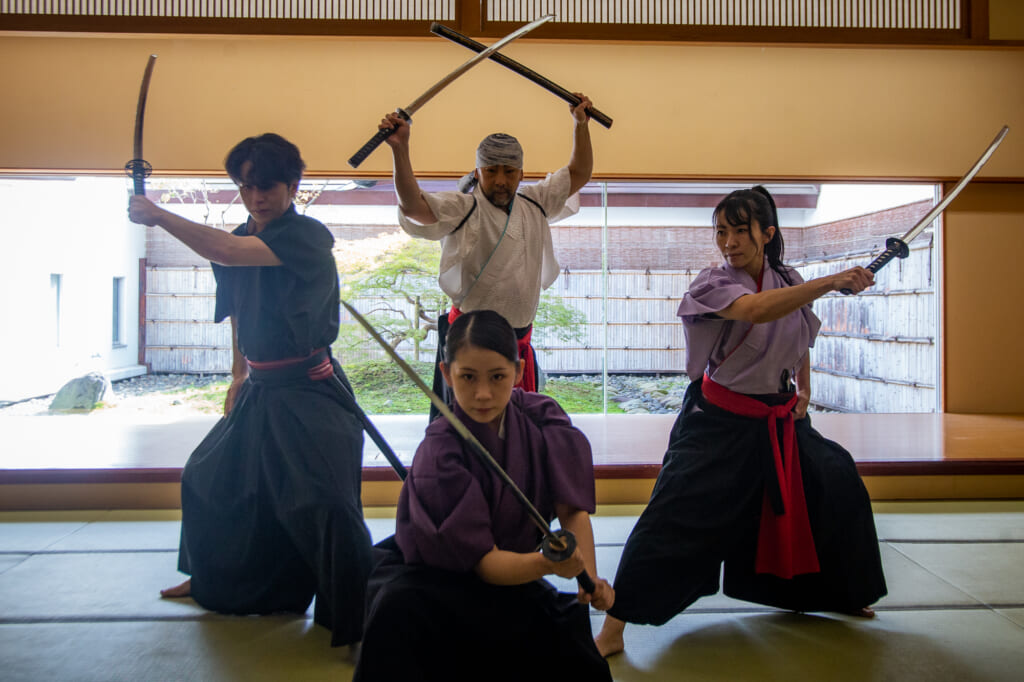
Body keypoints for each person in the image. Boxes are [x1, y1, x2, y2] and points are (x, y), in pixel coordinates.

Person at [594, 186, 888, 657]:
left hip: (778, 418)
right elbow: (756, 311)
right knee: (674, 515)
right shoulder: (712, 283)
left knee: (834, 481)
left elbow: (799, 330)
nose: (729, 242)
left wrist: (804, 389)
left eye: (740, 231)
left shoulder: (786, 277)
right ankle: (615, 625)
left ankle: (837, 593)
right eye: (721, 232)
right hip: (718, 423)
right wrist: (831, 281)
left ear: (767, 234)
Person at [128, 133, 373, 648]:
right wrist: (238, 373)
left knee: (326, 503)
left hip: (310, 388)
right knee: (206, 476)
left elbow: (229, 251)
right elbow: (239, 307)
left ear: (292, 185)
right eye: (246, 186)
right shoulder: (243, 233)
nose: (256, 197)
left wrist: (159, 215)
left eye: (266, 186)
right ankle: (211, 580)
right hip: (261, 385)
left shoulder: (306, 235)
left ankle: (355, 616)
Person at [353, 309, 614, 681]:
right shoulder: (439, 452)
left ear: (519, 371)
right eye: (467, 377)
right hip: (437, 583)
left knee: (573, 647)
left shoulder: (543, 419)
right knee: (398, 620)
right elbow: (484, 563)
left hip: (515, 576)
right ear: (446, 374)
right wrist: (548, 564)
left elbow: (572, 513)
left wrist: (589, 577)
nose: (483, 394)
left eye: (497, 377)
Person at [378, 95, 595, 415]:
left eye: (509, 171)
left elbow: (579, 173)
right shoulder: (462, 208)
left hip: (518, 343)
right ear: (478, 172)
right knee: (467, 434)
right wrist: (400, 148)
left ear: (521, 173)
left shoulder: (536, 203)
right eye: (491, 171)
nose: (501, 180)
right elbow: (414, 206)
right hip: (470, 346)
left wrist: (581, 125)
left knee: (517, 437)